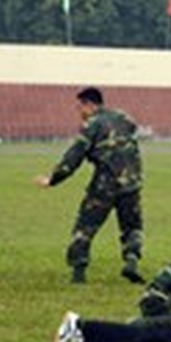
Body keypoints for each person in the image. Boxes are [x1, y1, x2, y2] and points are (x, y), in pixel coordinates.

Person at [34, 87, 145, 284]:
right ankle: (131, 262)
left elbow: (74, 156)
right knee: (132, 226)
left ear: (89, 104)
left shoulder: (92, 124)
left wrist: (53, 179)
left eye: (80, 108)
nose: (79, 113)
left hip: (105, 184)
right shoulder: (123, 117)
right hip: (132, 182)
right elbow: (131, 136)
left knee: (85, 226)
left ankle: (78, 273)